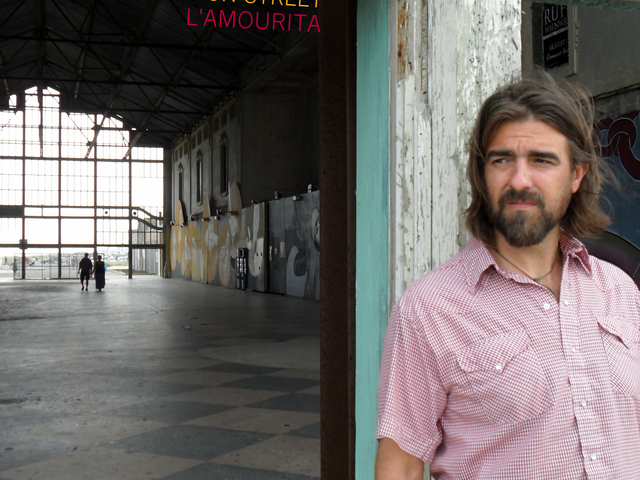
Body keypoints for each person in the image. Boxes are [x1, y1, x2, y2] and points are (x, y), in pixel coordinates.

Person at [376, 75, 640, 479]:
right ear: (482, 175)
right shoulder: (428, 310)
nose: (519, 180)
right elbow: (401, 465)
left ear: (576, 175)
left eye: (541, 160)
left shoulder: (620, 291)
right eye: (501, 160)